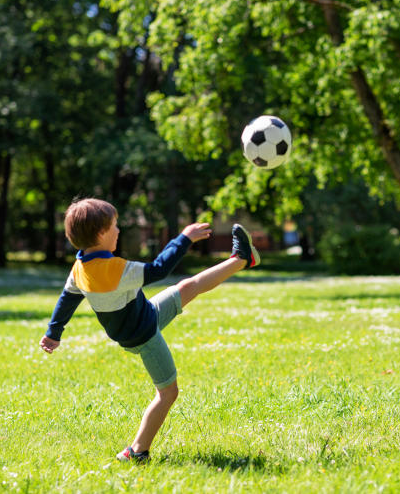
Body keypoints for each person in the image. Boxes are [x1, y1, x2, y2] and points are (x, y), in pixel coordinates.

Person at [39, 198, 260, 462]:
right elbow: (158, 269)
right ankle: (138, 451)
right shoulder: (114, 270)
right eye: (114, 226)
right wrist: (184, 238)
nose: (118, 231)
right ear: (100, 234)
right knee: (168, 393)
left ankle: (242, 259)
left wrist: (53, 332)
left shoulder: (80, 268)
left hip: (146, 314)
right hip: (143, 336)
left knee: (187, 287)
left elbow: (67, 299)